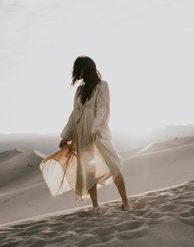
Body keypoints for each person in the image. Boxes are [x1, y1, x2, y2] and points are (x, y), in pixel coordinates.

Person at [40, 55, 129, 211]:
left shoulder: (102, 86)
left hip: (98, 132)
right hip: (82, 134)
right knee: (89, 171)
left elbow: (103, 108)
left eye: (78, 68)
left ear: (86, 68)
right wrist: (66, 136)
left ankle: (126, 203)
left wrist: (96, 129)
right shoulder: (80, 90)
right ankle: (95, 206)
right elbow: (75, 114)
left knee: (114, 165)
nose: (76, 72)